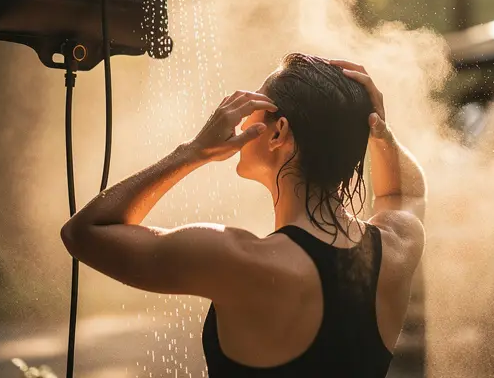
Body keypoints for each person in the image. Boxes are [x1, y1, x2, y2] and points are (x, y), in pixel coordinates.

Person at [61, 53, 427, 377]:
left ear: (277, 132)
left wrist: (192, 152)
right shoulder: (396, 246)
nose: (239, 118)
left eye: (254, 102)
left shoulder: (236, 259)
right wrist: (380, 131)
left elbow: (86, 232)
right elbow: (402, 192)